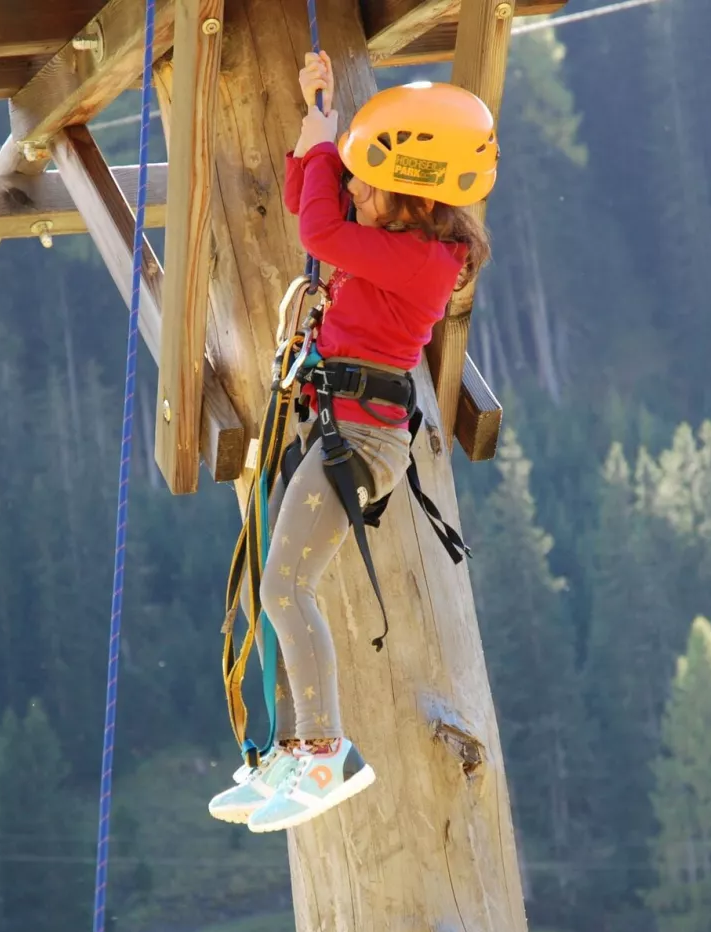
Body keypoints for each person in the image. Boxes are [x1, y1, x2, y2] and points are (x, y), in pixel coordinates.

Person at [207, 51, 496, 834]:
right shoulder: (400, 244)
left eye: (367, 179)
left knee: (282, 590)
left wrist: (326, 143)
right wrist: (315, 135)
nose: (353, 187)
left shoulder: (421, 263)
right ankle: (297, 750)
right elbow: (321, 211)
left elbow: (318, 225)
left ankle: (324, 750)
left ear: (407, 198)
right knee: (273, 587)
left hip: (360, 441)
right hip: (338, 424)